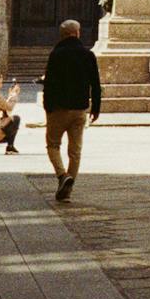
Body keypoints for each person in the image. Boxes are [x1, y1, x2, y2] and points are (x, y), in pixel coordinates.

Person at [42, 19, 101, 201]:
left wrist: (47, 105)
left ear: (62, 35)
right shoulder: (87, 54)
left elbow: (49, 83)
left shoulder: (56, 54)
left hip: (58, 108)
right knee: (75, 152)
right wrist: (96, 108)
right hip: (79, 109)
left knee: (53, 145)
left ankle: (62, 175)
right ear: (77, 33)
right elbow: (96, 84)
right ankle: (67, 191)